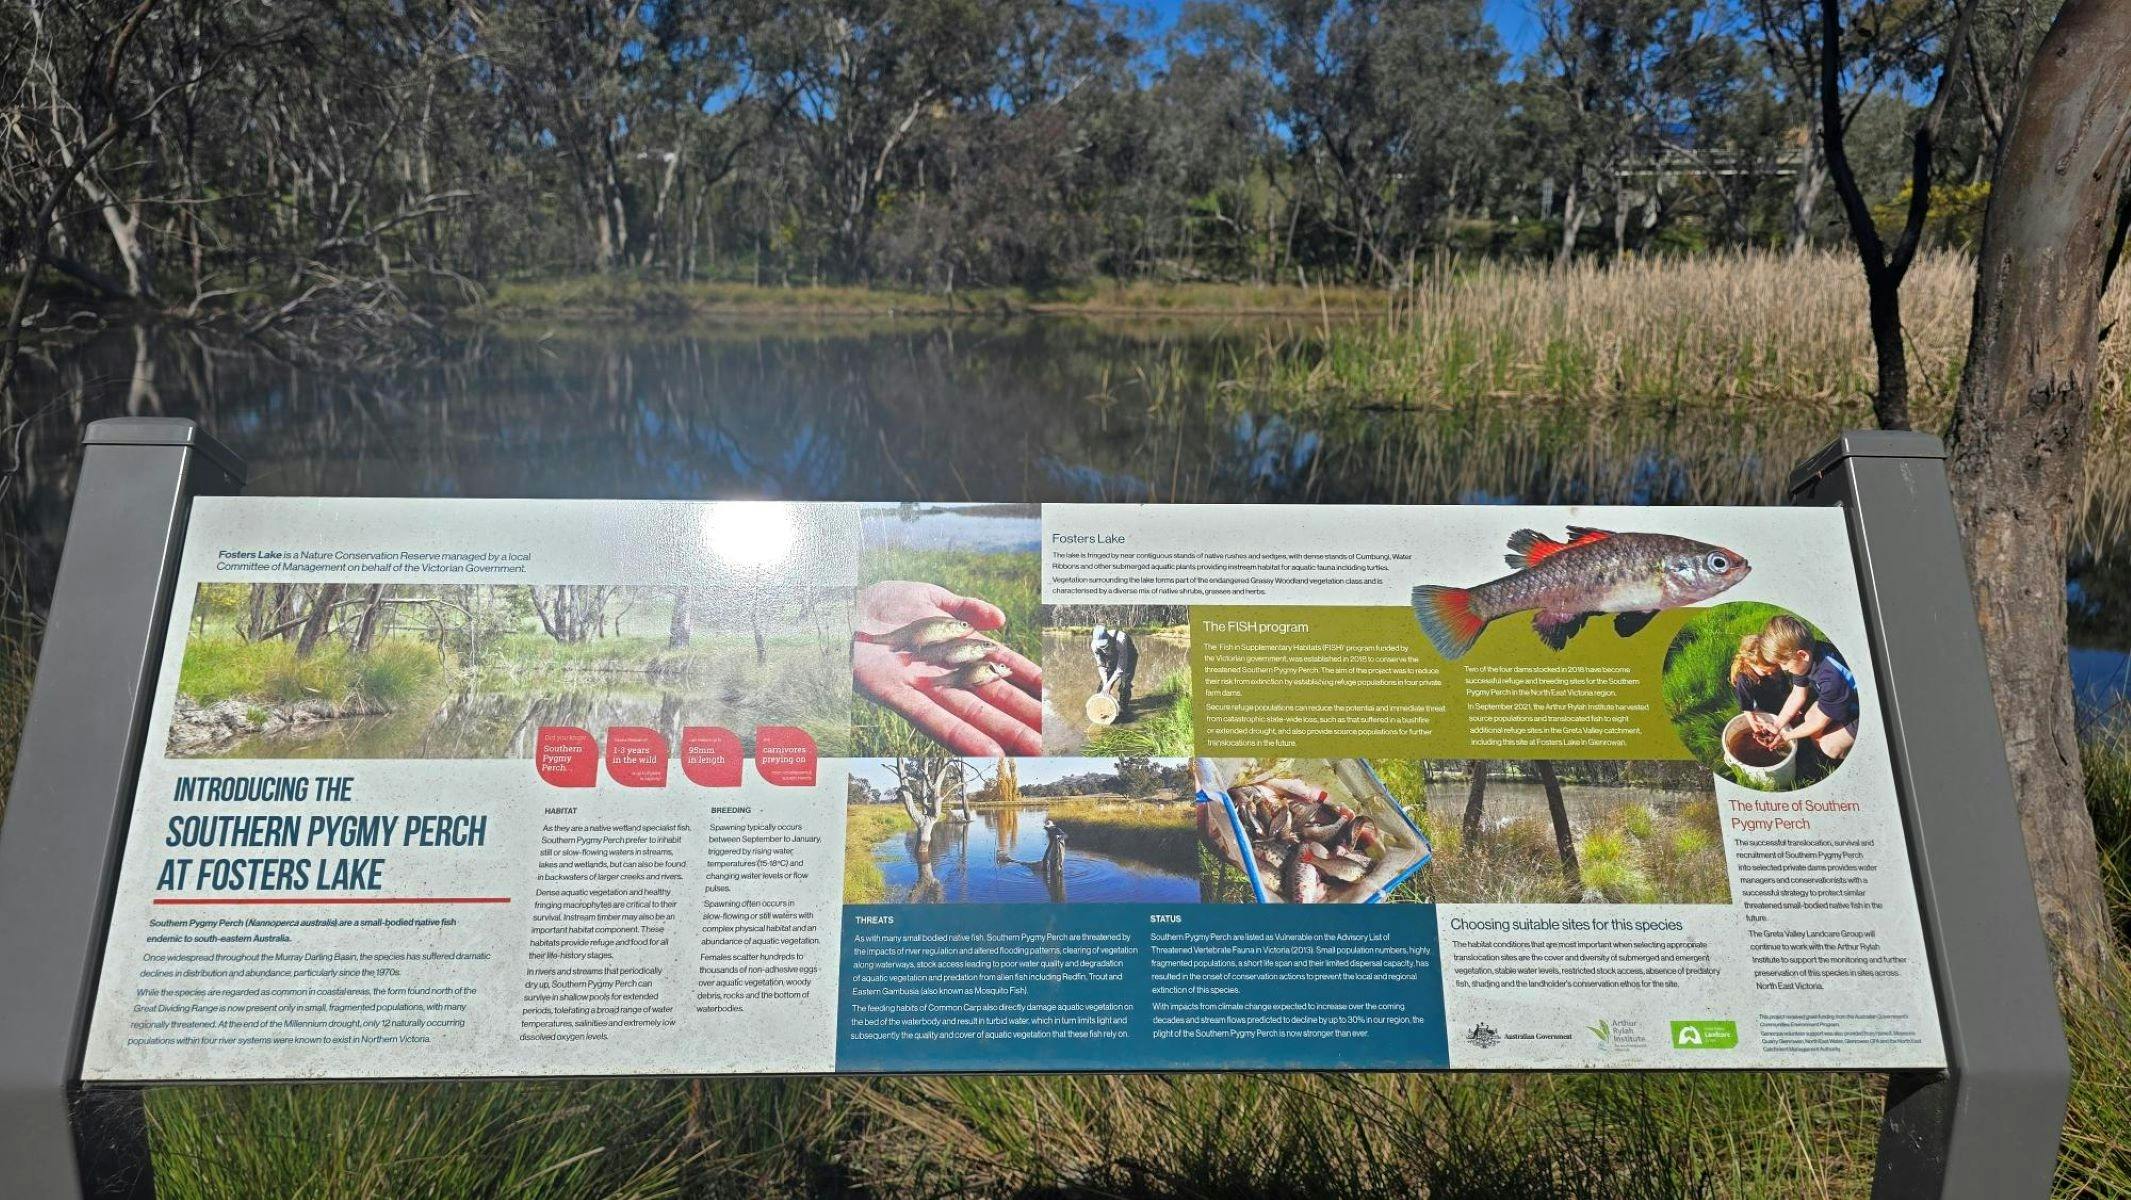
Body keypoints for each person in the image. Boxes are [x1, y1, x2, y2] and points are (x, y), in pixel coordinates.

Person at [1755, 614, 1859, 762]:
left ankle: (1852, 754)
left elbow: (1819, 722)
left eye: (1784, 664)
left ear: (1802, 655)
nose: (1783, 669)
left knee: (1829, 747)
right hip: (1842, 699)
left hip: (1863, 710)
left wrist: (1787, 736)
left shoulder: (1831, 679)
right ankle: (1820, 748)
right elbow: (1797, 695)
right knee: (1809, 718)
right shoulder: (1804, 660)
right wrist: (1777, 725)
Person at [1729, 633, 1790, 715]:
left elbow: (1785, 688)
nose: (1771, 673)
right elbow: (1747, 708)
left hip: (1779, 700)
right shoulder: (1745, 680)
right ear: (1750, 664)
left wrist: (1789, 703)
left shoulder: (1775, 668)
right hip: (1761, 709)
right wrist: (1758, 719)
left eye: (1775, 669)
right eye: (1765, 671)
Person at [1091, 624, 1137, 717]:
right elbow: (1101, 665)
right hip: (1112, 658)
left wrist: (1108, 685)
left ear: (1108, 637)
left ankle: (1124, 708)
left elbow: (1120, 668)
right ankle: (1102, 707)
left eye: (1105, 646)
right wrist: (1106, 683)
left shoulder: (1121, 639)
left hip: (1128, 657)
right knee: (1103, 685)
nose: (1104, 649)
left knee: (1125, 684)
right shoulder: (1094, 646)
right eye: (1101, 647)